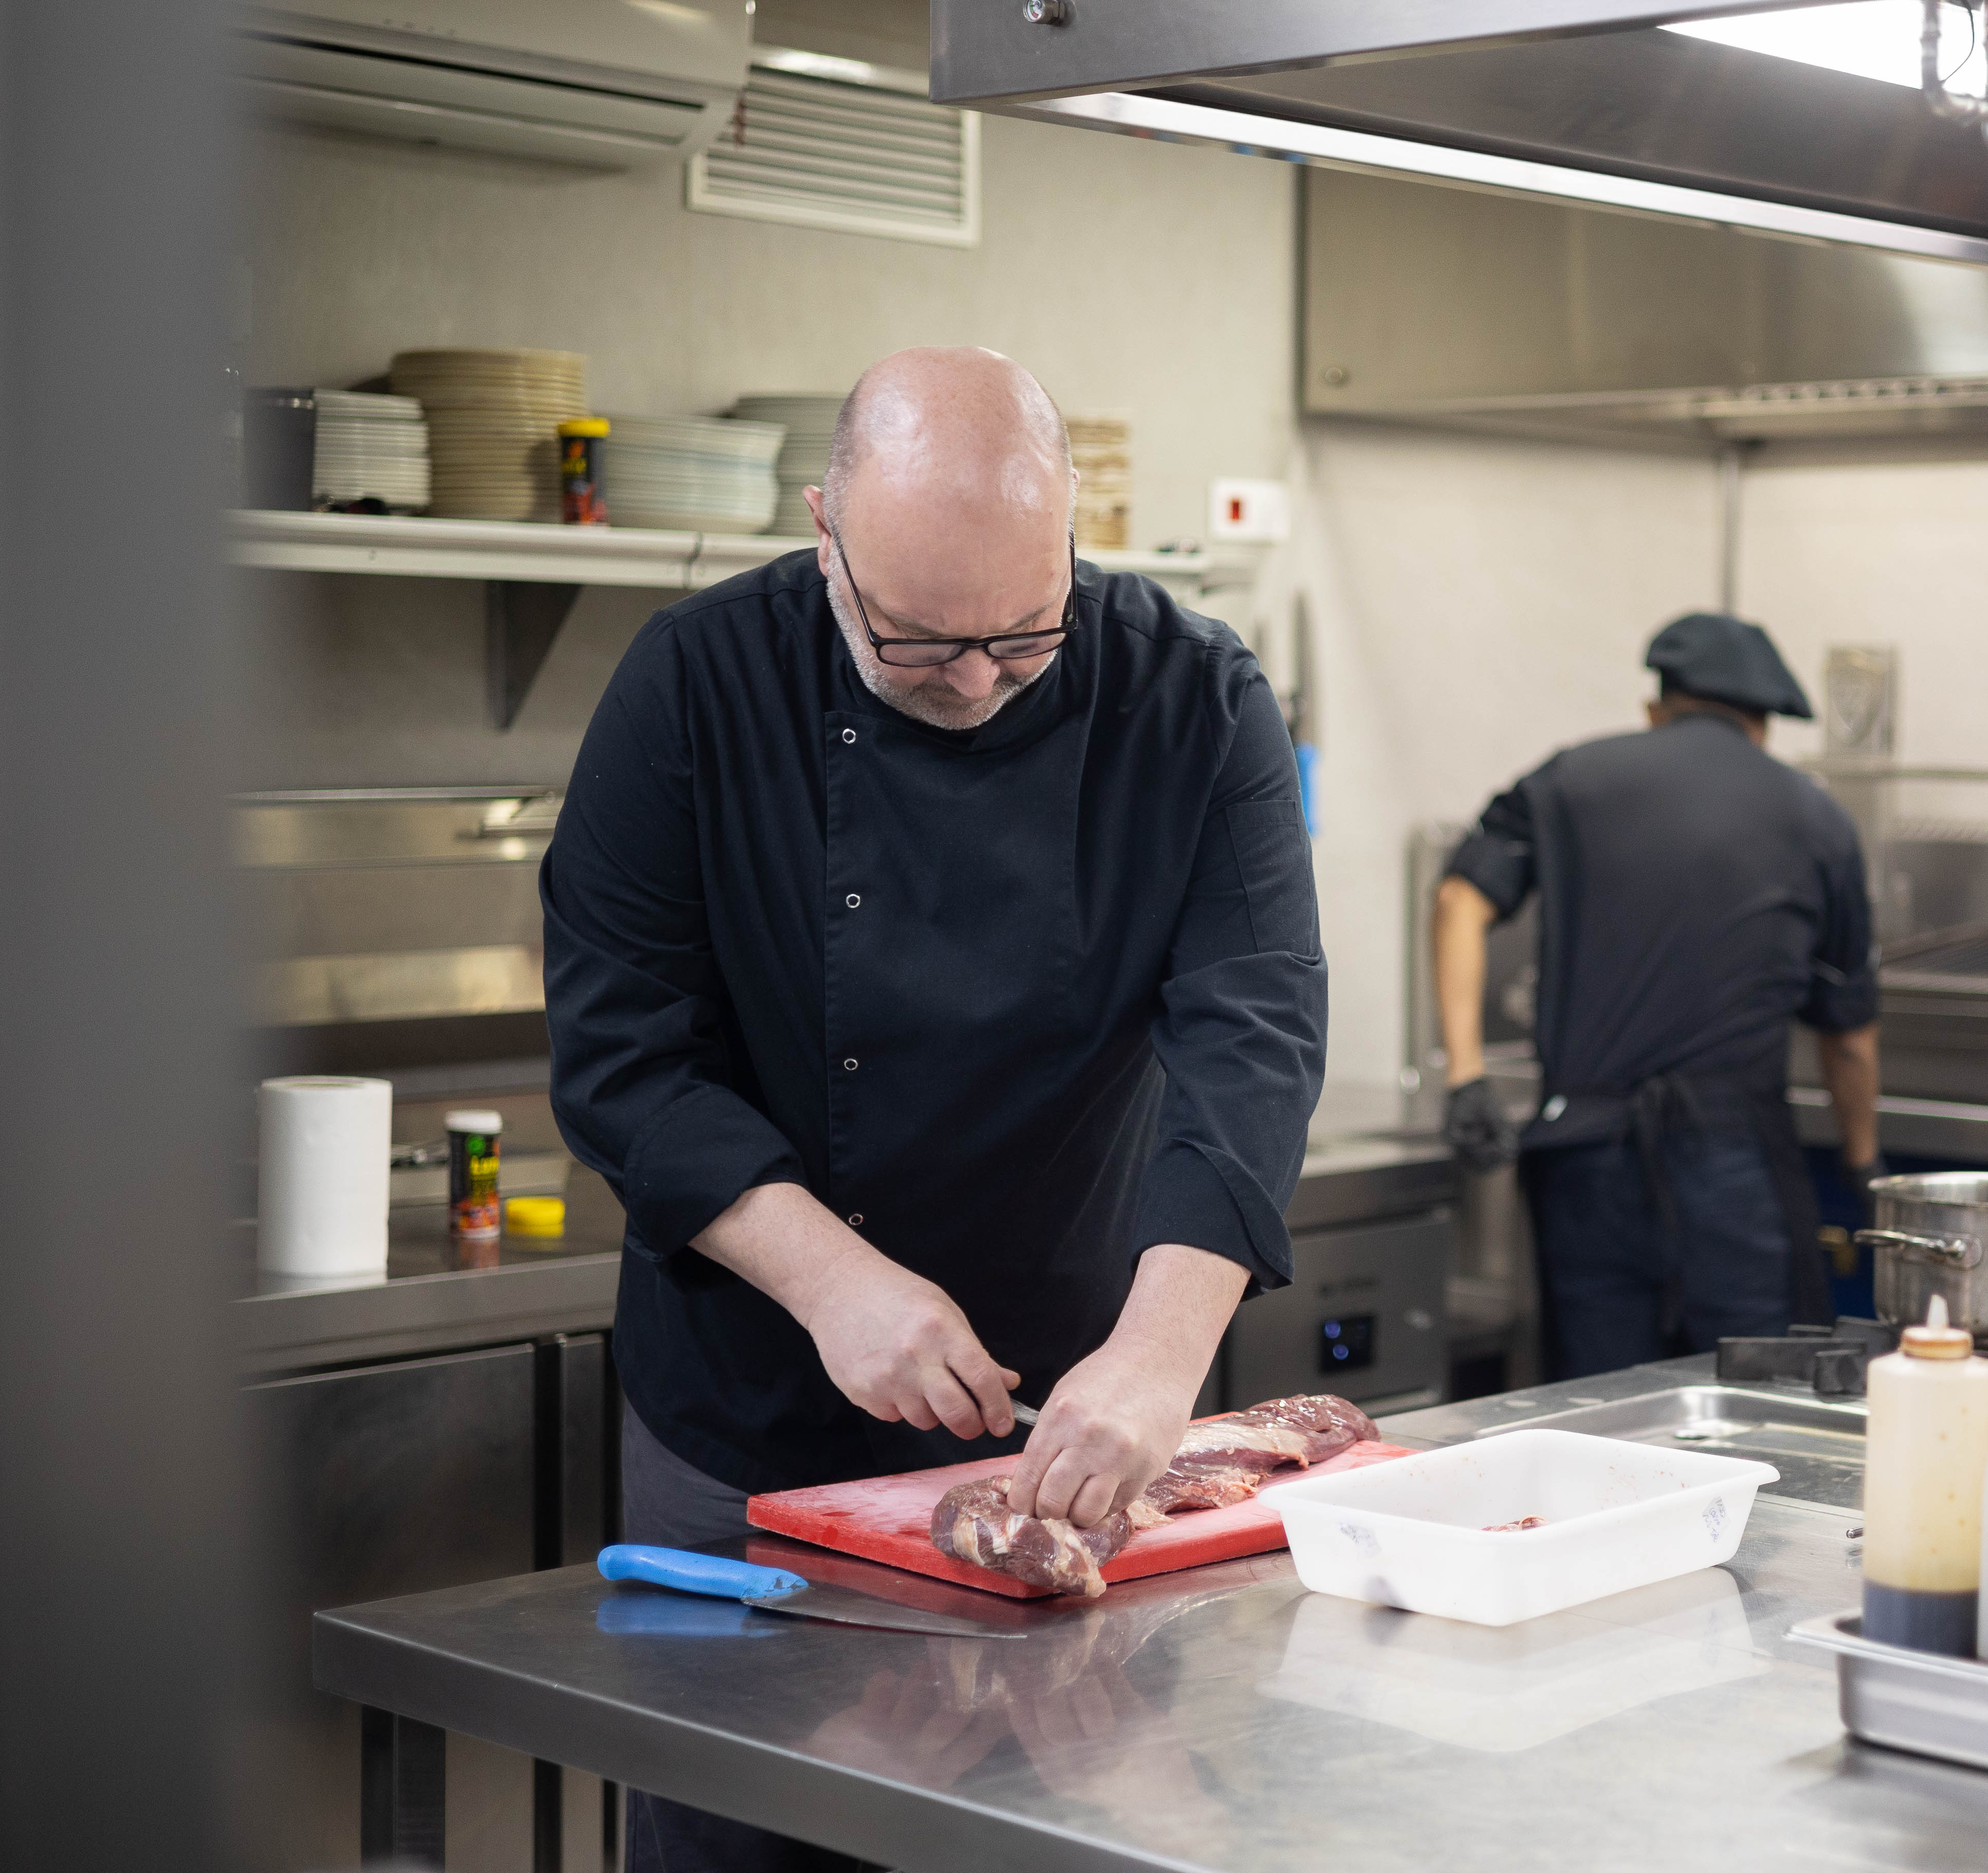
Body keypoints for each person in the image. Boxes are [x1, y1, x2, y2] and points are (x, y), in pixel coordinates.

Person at [543, 347, 1325, 1870]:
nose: (971, 681)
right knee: (750, 1836)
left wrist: (1161, 1356)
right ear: (825, 531)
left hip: (1067, 1406)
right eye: (913, 647)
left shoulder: (1195, 694)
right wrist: (832, 1278)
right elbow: (622, 1047)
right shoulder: (696, 684)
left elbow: (1256, 1028)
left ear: (1075, 535)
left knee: (1045, 1824)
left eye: (1024, 642)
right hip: (750, 1399)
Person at [1431, 613, 1879, 1382]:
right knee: (1755, 1405)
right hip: (1733, 1165)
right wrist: (1863, 1164)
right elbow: (1849, 1039)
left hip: (1586, 1158)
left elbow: (1458, 904)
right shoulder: (1814, 815)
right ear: (1762, 725)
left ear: (1656, 707)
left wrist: (1466, 1077)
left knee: (1602, 1409)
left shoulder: (1568, 778)